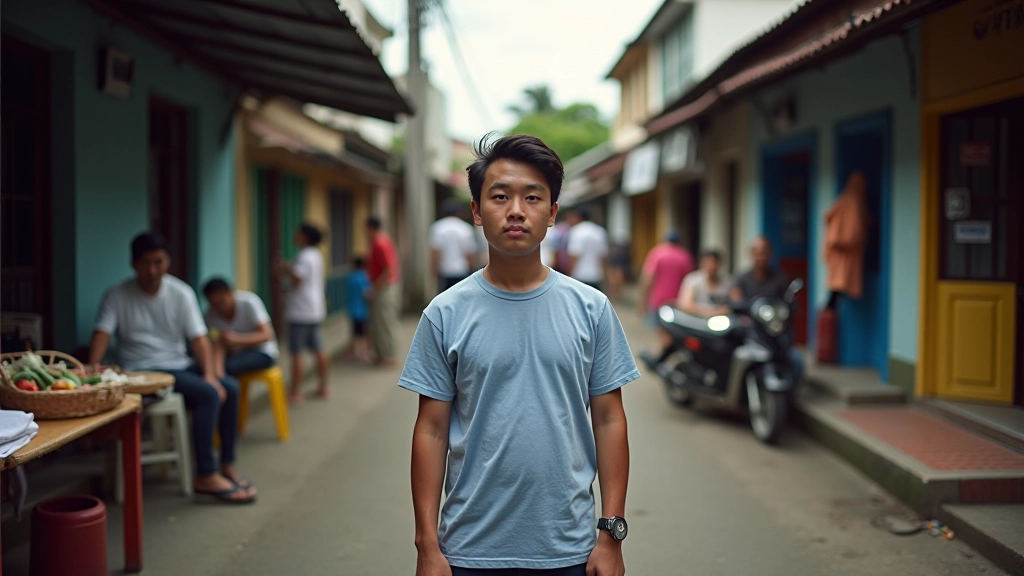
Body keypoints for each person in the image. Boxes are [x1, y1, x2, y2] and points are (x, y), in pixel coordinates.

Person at [401, 133, 638, 576]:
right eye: (499, 196)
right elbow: (430, 429)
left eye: (532, 197)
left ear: (551, 214)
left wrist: (611, 533)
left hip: (570, 550)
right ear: (476, 211)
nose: (515, 210)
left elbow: (609, 419)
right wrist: (426, 545)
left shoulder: (591, 309)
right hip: (467, 551)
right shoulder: (444, 313)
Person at [89, 232, 255, 504]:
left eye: (159, 262)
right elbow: (102, 333)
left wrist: (211, 375)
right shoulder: (117, 294)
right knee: (209, 394)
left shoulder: (181, 292)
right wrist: (93, 366)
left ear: (168, 261)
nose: (154, 270)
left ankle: (227, 465)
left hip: (179, 365)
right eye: (146, 263)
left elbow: (199, 339)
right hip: (142, 371)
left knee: (230, 387)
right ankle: (205, 473)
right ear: (133, 264)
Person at [730, 236, 804, 384]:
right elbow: (735, 300)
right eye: (756, 252)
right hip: (749, 334)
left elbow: (787, 305)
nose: (760, 257)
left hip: (773, 334)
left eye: (763, 252)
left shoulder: (780, 279)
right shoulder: (742, 278)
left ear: (770, 254)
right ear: (751, 255)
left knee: (796, 360)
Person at [276, 223, 328, 404]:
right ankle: (323, 386)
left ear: (305, 237)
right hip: (314, 309)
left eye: (298, 233)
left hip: (301, 310)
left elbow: (298, 279)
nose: (295, 235)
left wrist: (285, 268)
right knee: (318, 349)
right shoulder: (316, 255)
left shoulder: (304, 256)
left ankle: (295, 393)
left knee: (296, 352)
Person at [202, 278, 279, 377]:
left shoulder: (249, 302)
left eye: (222, 302)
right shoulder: (210, 315)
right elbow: (216, 342)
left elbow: (266, 335)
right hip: (235, 354)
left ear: (231, 292)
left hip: (263, 352)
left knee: (230, 367)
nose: (219, 307)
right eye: (214, 304)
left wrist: (236, 339)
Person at [366, 216, 400, 368]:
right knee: (379, 323)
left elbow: (387, 268)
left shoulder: (380, 243)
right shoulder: (382, 241)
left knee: (385, 322)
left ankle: (388, 355)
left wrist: (376, 287)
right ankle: (381, 354)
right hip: (383, 286)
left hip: (384, 287)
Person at [429, 199, 478, 293]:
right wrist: (472, 270)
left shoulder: (438, 227)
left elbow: (436, 252)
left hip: (444, 271)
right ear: (459, 213)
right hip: (461, 270)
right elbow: (469, 253)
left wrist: (433, 272)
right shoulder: (465, 228)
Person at [677, 249, 732, 318]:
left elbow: (734, 300)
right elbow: (685, 305)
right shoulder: (692, 280)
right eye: (708, 262)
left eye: (714, 262)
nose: (712, 266)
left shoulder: (727, 281)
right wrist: (712, 312)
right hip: (696, 321)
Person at [565, 208, 609, 290]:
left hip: (579, 275)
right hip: (596, 276)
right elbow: (603, 257)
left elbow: (574, 256)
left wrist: (568, 276)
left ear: (578, 217)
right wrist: (606, 278)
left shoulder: (576, 231)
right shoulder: (599, 231)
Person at [342, 256, 373, 363]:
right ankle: (364, 353)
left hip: (352, 309)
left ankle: (352, 353)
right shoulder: (362, 277)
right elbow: (367, 293)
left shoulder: (350, 277)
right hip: (362, 311)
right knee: (363, 333)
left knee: (354, 333)